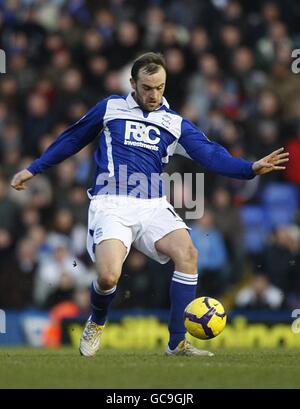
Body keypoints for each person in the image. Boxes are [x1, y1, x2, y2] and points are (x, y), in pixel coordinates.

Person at [11, 52, 289, 357]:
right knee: (107, 277)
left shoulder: (174, 123)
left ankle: (177, 343)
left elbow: (210, 155)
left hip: (153, 204)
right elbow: (71, 139)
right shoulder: (111, 108)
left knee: (188, 254)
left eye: (160, 87)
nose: (154, 94)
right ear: (132, 83)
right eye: (147, 88)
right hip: (111, 203)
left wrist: (249, 169)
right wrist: (33, 168)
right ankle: (98, 319)